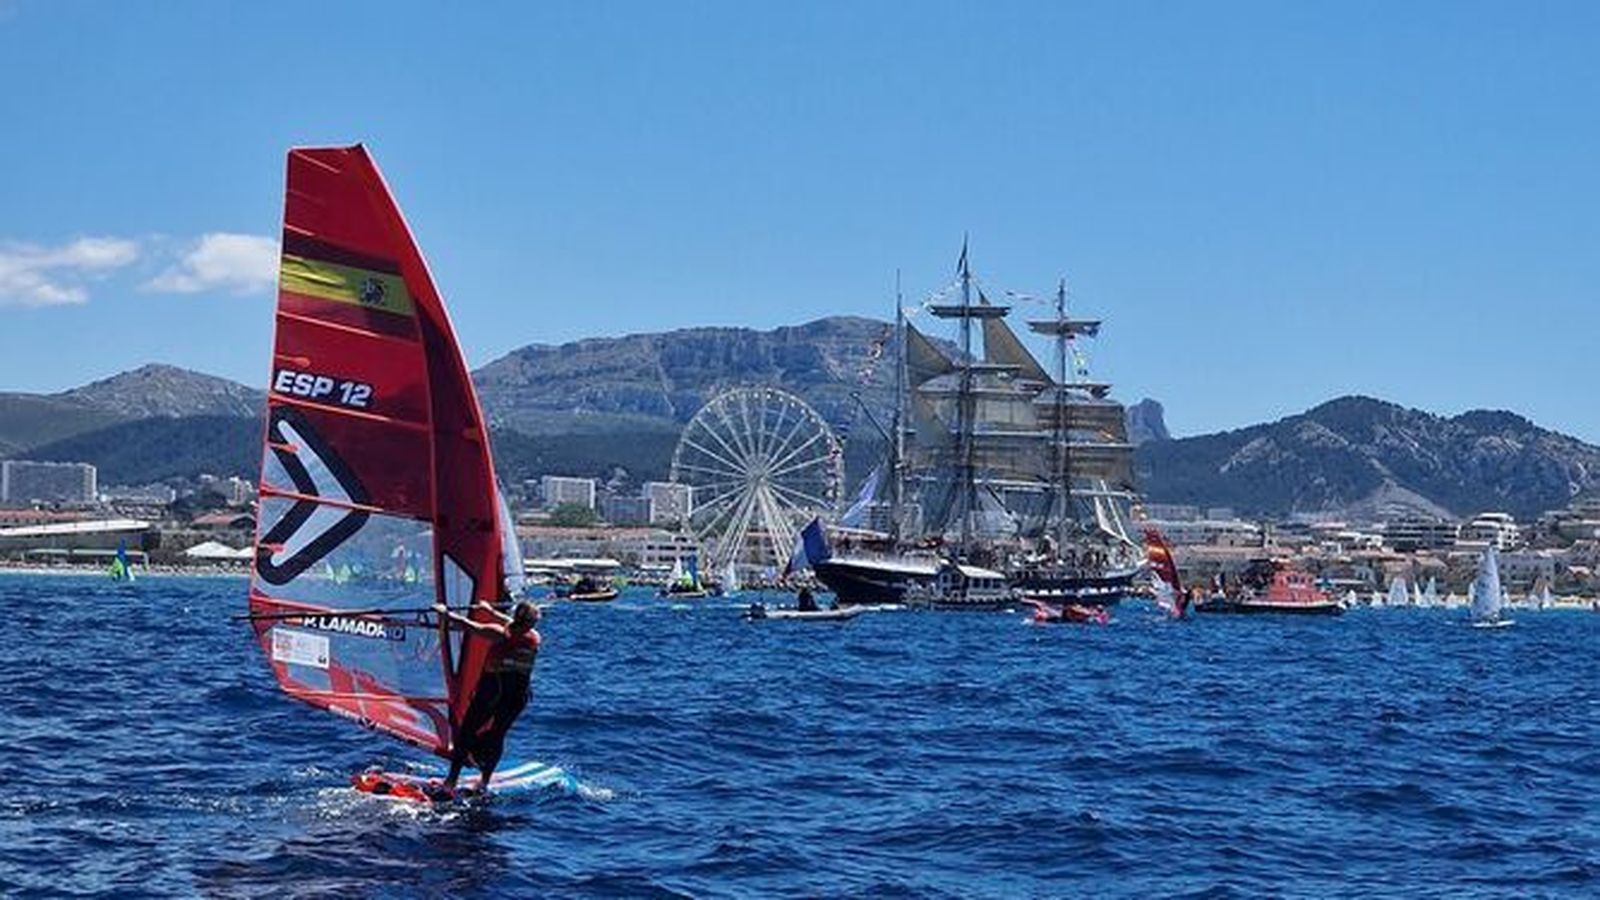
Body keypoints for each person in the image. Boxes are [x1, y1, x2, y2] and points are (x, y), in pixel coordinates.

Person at [432, 598, 541, 795]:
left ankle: (451, 781)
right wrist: (490, 611)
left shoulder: (499, 633)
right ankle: (484, 781)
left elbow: (468, 625)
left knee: (466, 733)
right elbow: (512, 623)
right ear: (529, 622)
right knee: (498, 735)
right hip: (518, 696)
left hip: (493, 692)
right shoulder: (534, 636)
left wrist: (445, 614)